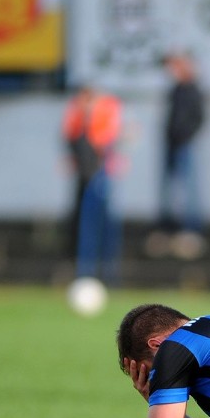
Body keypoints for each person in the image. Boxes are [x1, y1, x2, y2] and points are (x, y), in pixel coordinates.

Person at [146, 52, 206, 260]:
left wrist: (185, 136)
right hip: (170, 145)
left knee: (189, 190)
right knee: (167, 190)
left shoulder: (193, 90)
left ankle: (191, 230)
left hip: (184, 145)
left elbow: (199, 118)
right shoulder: (174, 90)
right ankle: (166, 228)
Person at [61, 84, 123, 283]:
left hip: (101, 174)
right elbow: (69, 138)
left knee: (105, 225)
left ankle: (108, 273)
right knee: (84, 225)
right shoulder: (77, 116)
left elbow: (106, 141)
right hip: (85, 175)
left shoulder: (105, 112)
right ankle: (83, 271)